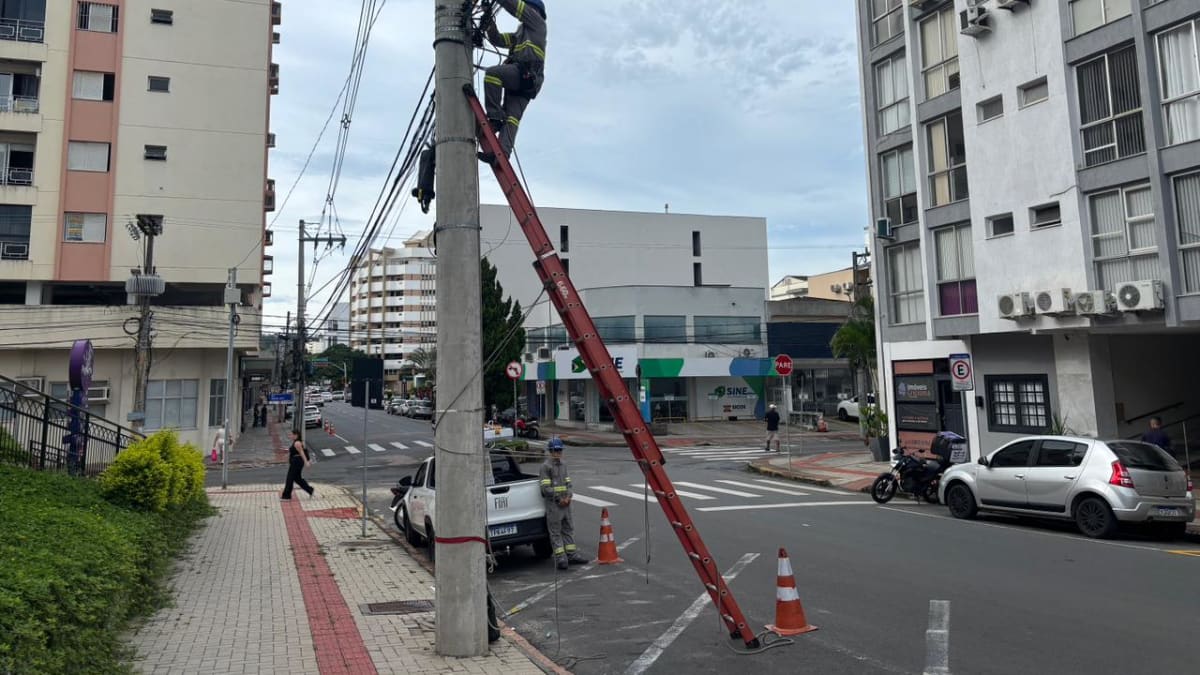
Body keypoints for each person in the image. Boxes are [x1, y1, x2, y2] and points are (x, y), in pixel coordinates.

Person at [482, 0, 547, 160]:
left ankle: (495, 117)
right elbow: (497, 39)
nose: (526, 11)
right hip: (526, 82)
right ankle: (502, 155)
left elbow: (515, 6)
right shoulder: (519, 35)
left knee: (493, 74)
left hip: (525, 74)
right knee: (512, 118)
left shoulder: (538, 23)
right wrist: (489, 21)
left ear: (535, 10)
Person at [539, 437, 586, 570]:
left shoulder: (564, 465)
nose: (558, 453)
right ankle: (560, 558)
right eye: (555, 450)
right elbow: (545, 488)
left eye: (560, 450)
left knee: (568, 529)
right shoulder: (545, 467)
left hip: (566, 504)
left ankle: (571, 555)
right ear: (550, 451)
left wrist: (569, 496)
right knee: (555, 532)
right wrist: (559, 499)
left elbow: (568, 483)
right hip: (554, 505)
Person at [281, 429, 315, 500]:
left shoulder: (297, 443)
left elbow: (302, 453)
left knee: (290, 478)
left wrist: (306, 462)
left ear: (296, 435)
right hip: (296, 462)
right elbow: (295, 451)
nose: (290, 436)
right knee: (297, 478)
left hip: (297, 462)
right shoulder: (296, 442)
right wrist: (288, 450)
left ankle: (286, 496)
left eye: (291, 435)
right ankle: (310, 490)